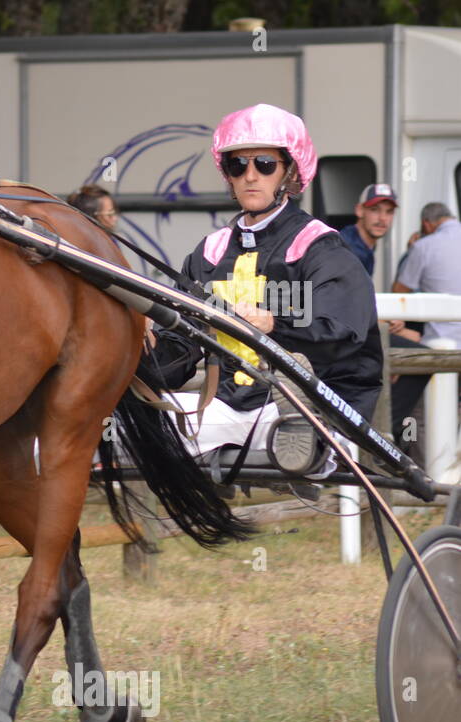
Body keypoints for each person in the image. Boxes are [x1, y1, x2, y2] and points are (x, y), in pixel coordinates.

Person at [163, 103, 381, 477]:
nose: (250, 176)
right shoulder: (208, 254)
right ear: (228, 175)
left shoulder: (320, 247)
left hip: (323, 398)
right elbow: (181, 344)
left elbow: (342, 333)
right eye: (237, 165)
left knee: (294, 410)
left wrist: (272, 325)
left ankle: (310, 429)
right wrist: (137, 358)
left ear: (290, 172)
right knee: (144, 424)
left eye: (264, 164)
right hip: (230, 403)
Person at [336, 185, 429, 444]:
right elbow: (340, 301)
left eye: (388, 212)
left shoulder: (361, 245)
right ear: (359, 211)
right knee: (420, 358)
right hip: (337, 334)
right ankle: (378, 436)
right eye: (375, 210)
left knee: (412, 350)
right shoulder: (350, 247)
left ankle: (376, 433)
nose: (382, 218)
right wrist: (379, 323)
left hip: (349, 330)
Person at [394, 202, 461, 342]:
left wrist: (409, 255)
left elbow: (398, 295)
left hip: (441, 342)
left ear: (426, 224)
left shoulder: (423, 247)